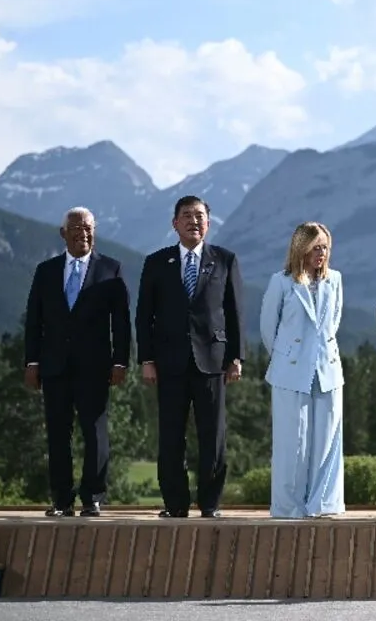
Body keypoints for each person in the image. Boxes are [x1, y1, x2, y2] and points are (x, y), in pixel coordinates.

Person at [135, 195, 245, 518]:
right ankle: (175, 504)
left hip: (212, 361)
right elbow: (144, 316)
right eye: (187, 215)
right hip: (169, 363)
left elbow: (235, 313)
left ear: (208, 223)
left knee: (213, 436)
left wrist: (236, 357)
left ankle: (210, 503)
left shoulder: (225, 260)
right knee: (171, 436)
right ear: (175, 223)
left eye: (199, 216)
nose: (193, 221)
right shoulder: (156, 262)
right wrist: (146, 360)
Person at [23, 206, 131, 517]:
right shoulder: (46, 271)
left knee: (95, 433)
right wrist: (32, 362)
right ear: (63, 233)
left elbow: (121, 322)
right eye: (76, 228)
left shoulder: (111, 268)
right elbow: (34, 320)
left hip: (95, 367)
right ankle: (61, 500)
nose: (83, 233)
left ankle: (92, 497)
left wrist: (121, 361)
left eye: (88, 228)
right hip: (54, 366)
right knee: (58, 434)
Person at [259, 222, 346, 519]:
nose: (322, 253)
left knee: (328, 441)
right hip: (290, 371)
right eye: (316, 247)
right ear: (301, 247)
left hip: (327, 369)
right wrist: (287, 357)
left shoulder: (335, 279)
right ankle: (288, 506)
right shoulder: (281, 282)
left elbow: (333, 323)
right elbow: (268, 329)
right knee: (292, 442)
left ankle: (324, 504)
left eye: (325, 247)